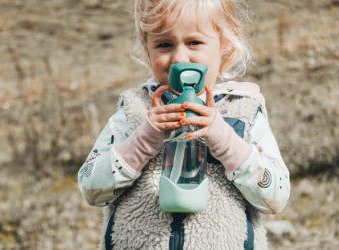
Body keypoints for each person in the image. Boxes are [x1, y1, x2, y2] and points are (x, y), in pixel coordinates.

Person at [77, 0, 290, 249]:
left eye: (194, 42)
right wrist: (143, 140)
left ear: (225, 45)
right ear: (148, 48)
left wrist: (225, 140)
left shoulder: (244, 111)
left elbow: (276, 196)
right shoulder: (134, 110)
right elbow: (91, 189)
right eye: (164, 44)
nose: (179, 58)